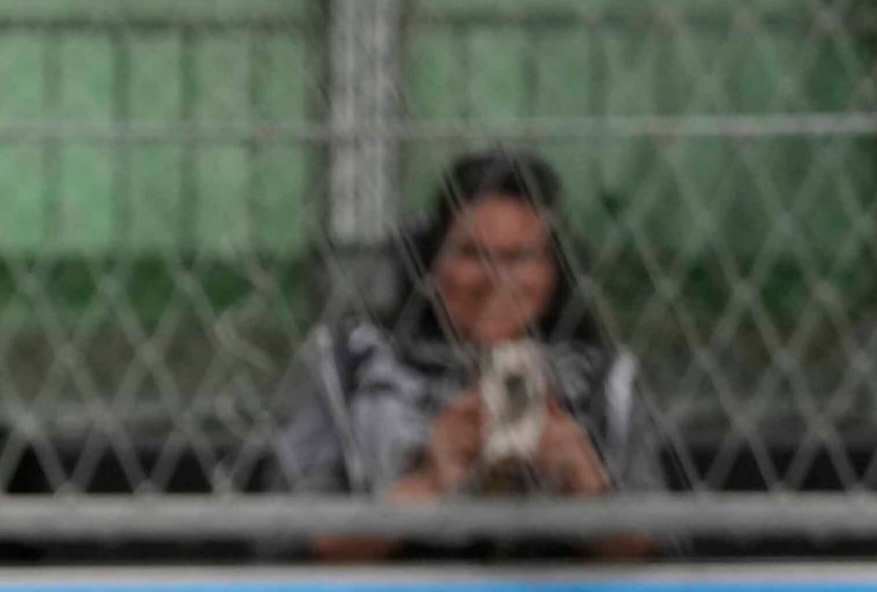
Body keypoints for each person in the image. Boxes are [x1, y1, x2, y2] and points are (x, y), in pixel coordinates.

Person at [275, 147, 652, 553]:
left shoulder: (604, 379)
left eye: (522, 256)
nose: (496, 278)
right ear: (432, 262)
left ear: (556, 270)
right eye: (472, 253)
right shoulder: (353, 362)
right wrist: (427, 481)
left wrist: (585, 487)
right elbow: (286, 543)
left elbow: (658, 555)